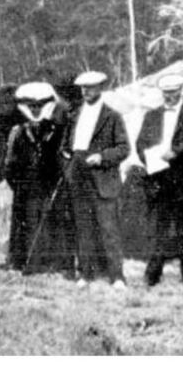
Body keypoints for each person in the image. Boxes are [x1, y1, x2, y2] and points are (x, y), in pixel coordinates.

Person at [135, 74, 183, 287]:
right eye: (165, 92)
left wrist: (175, 152)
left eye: (173, 92)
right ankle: (153, 275)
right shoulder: (152, 116)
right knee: (161, 228)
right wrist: (150, 159)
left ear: (181, 91)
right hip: (160, 179)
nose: (169, 96)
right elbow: (140, 143)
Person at [61, 71, 130, 290]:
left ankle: (117, 276)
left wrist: (102, 157)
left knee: (109, 229)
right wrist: (69, 166)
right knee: (83, 228)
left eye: (91, 87)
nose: (86, 91)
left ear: (100, 87)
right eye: (83, 88)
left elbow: (124, 148)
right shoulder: (74, 115)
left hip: (103, 179)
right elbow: (65, 147)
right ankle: (86, 273)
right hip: (79, 177)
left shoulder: (112, 116)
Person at [4, 82, 73, 278]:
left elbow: (62, 158)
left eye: (39, 106)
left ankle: (56, 264)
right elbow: (10, 164)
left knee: (56, 223)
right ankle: (30, 263)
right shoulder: (18, 131)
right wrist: (19, 184)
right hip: (27, 188)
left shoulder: (58, 130)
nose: (35, 109)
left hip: (52, 186)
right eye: (31, 106)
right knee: (29, 224)